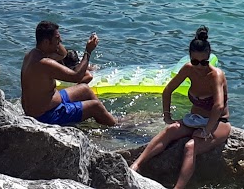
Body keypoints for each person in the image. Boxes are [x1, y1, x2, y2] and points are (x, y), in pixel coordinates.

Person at [131, 27, 231, 188]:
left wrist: (206, 131)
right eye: (195, 61)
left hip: (218, 123)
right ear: (190, 58)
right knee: (169, 130)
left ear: (209, 58)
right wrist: (167, 116)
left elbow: (218, 106)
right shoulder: (188, 69)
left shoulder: (216, 75)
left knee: (190, 146)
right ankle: (135, 167)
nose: (199, 66)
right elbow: (167, 91)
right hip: (194, 120)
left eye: (204, 62)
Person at [20, 21, 116, 127]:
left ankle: (107, 117)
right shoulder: (44, 63)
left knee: (84, 89)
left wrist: (55, 42)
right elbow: (76, 76)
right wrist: (88, 51)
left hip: (49, 104)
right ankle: (117, 127)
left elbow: (63, 54)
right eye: (57, 39)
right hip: (45, 116)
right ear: (46, 42)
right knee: (95, 106)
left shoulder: (31, 54)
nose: (60, 41)